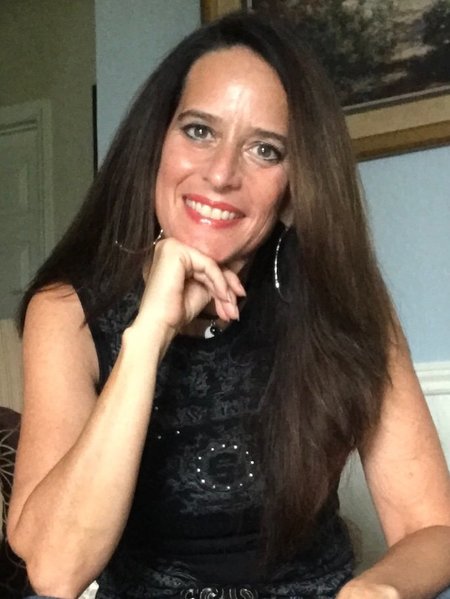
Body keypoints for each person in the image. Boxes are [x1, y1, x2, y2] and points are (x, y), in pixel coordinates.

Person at [6, 11, 450, 599]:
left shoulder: (342, 301)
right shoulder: (68, 310)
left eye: (265, 150)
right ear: (154, 145)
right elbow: (56, 571)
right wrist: (149, 334)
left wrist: (378, 589)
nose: (220, 174)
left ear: (295, 186)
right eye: (198, 131)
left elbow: (432, 527)